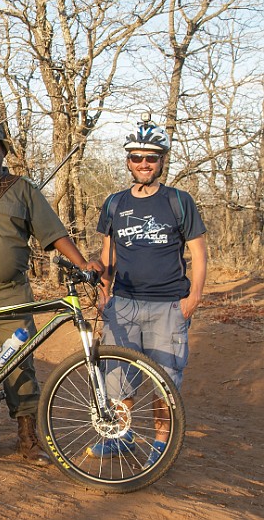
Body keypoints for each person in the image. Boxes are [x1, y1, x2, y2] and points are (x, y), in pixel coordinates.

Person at [0, 120, 102, 465]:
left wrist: (83, 264)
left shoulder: (22, 190)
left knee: (18, 360)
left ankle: (28, 435)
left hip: (13, 294)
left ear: (2, 152)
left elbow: (53, 233)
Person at [93, 116, 207, 466]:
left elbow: (199, 254)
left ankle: (159, 447)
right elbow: (108, 252)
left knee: (164, 380)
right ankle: (121, 437)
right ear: (128, 161)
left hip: (168, 306)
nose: (144, 164)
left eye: (151, 158)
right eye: (137, 157)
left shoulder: (179, 201)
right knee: (117, 378)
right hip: (123, 303)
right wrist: (104, 293)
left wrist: (193, 299)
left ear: (162, 161)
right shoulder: (114, 203)